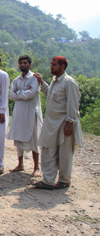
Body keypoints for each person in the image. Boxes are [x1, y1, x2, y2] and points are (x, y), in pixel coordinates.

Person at [32, 56, 82, 190]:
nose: (51, 67)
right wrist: (42, 82)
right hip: (51, 123)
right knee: (49, 151)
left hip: (63, 124)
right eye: (51, 64)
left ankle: (64, 181)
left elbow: (73, 104)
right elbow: (51, 96)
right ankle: (48, 180)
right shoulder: (55, 81)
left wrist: (70, 123)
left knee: (65, 153)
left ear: (62, 67)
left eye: (54, 65)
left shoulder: (69, 82)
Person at [8, 55, 42, 177]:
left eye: (25, 63)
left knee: (34, 140)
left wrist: (19, 93)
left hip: (31, 113)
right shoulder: (16, 80)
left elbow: (32, 93)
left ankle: (37, 167)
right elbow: (11, 95)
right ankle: (20, 164)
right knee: (18, 138)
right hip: (19, 113)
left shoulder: (34, 78)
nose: (23, 65)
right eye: (21, 63)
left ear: (29, 65)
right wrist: (24, 93)